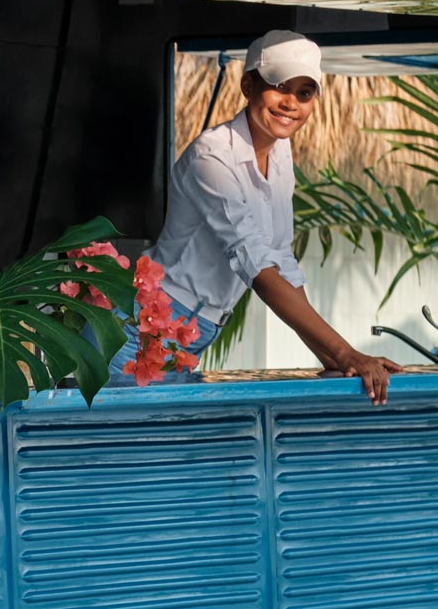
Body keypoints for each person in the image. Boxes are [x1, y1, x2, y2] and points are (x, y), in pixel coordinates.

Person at [123, 29, 400, 403]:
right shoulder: (212, 158)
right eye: (279, 86)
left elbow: (280, 256)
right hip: (140, 331)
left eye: (304, 92)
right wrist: (347, 353)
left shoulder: (281, 152)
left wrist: (334, 357)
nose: (291, 103)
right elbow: (257, 268)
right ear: (248, 85)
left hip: (192, 331)